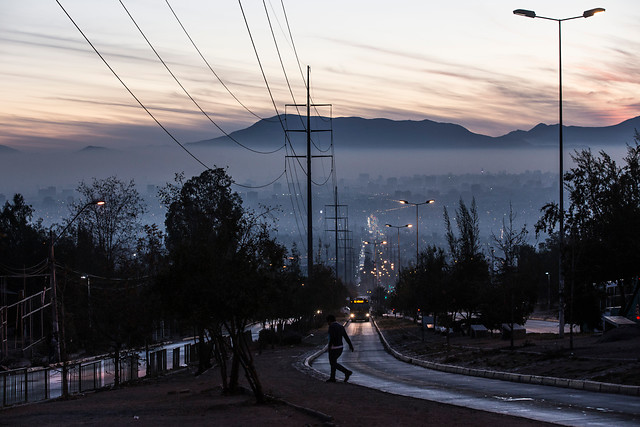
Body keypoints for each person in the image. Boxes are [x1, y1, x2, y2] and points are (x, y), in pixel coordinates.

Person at [326, 314, 354, 382]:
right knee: (333, 362)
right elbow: (345, 336)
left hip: (334, 347)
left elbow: (332, 338)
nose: (327, 323)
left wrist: (329, 347)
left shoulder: (331, 327)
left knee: (332, 363)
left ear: (329, 320)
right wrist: (350, 345)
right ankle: (332, 378)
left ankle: (346, 372)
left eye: (327, 321)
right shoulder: (340, 326)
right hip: (340, 347)